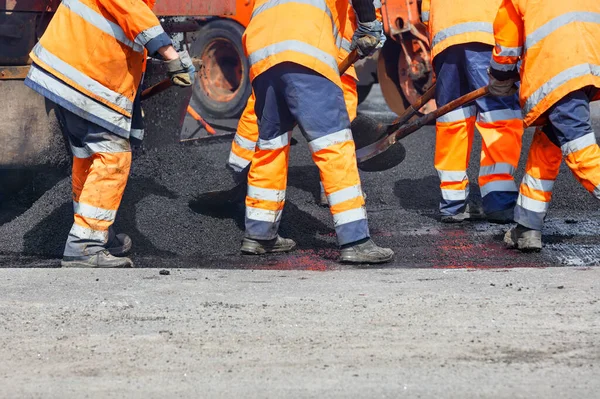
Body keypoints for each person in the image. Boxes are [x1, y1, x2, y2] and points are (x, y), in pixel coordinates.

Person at [24, 0, 195, 268]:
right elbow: (131, 10)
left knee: (88, 155)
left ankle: (95, 233)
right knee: (113, 154)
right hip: (84, 74)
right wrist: (171, 55)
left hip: (68, 71)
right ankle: (85, 246)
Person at [239, 0, 394, 263]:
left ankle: (259, 235)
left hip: (261, 54)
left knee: (270, 147)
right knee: (335, 145)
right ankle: (356, 240)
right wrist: (368, 24)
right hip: (306, 49)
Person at [227, 1, 382, 206]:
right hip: (324, 42)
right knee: (335, 127)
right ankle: (335, 189)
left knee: (265, 112)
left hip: (273, 42)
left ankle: (241, 166)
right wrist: (372, 26)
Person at [488, 0, 600, 251]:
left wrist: (499, 77)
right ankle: (527, 227)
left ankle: (528, 227)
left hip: (556, 71)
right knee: (546, 144)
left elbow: (507, 46)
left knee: (580, 150)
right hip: (587, 69)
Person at [421, 0, 524, 223]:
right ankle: (499, 199)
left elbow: (425, 13)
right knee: (500, 116)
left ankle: (452, 203)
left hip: (445, 38)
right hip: (488, 32)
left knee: (453, 120)